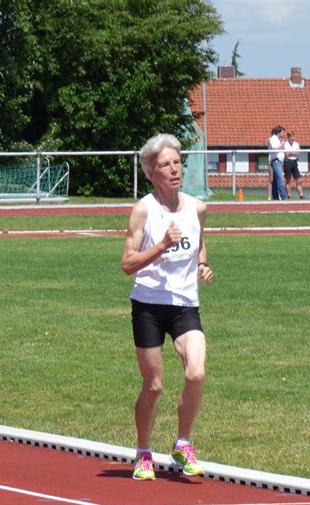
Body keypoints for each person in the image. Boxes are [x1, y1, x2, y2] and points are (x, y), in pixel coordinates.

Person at [122, 133, 213, 481]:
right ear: (151, 172)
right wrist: (160, 246)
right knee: (154, 385)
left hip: (185, 304)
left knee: (197, 372)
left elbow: (199, 243)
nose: (174, 170)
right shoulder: (143, 210)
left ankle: (183, 443)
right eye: (165, 165)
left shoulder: (197, 208)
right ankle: (143, 451)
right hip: (148, 304)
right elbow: (128, 264)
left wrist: (203, 264)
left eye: (177, 163)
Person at [268, 126, 287, 201]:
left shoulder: (277, 139)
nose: (283, 133)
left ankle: (275, 197)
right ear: (278, 132)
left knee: (276, 180)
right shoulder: (273, 139)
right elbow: (274, 148)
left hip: (279, 161)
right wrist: (282, 144)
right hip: (276, 160)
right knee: (279, 178)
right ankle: (283, 197)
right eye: (282, 132)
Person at [284, 131, 304, 199]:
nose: (293, 138)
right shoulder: (285, 144)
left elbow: (298, 153)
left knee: (299, 180)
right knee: (288, 180)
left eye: (293, 136)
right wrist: (293, 153)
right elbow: (286, 154)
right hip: (287, 162)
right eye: (291, 137)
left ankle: (301, 195)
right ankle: (288, 195)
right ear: (289, 137)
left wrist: (291, 153)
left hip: (294, 162)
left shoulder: (296, 144)